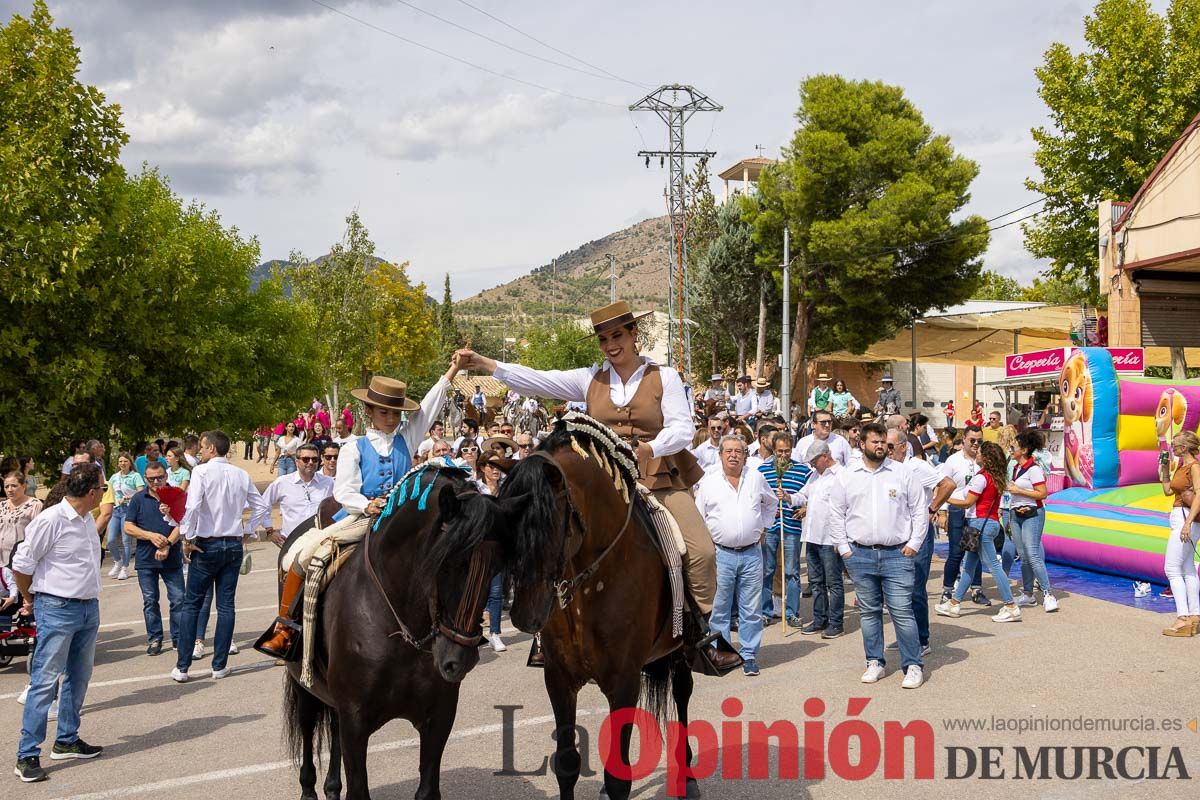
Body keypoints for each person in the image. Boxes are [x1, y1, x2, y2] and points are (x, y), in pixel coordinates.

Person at [454, 300, 740, 671]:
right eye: (604, 339)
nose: (611, 344)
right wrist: (487, 364)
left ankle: (699, 634)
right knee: (554, 536)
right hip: (603, 480)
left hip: (657, 477)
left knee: (702, 552)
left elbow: (683, 428)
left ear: (634, 335)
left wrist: (649, 448)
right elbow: (539, 379)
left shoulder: (664, 377)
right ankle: (547, 632)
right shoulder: (590, 378)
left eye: (618, 335)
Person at [257, 363, 459, 659]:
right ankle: (285, 630)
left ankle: (460, 626)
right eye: (384, 412)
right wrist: (367, 503)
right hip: (362, 517)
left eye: (396, 413)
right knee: (302, 555)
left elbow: (429, 406)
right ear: (369, 412)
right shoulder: (354, 447)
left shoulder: (408, 437)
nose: (391, 418)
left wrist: (451, 373)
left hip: (404, 518)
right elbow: (343, 491)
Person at [13, 464, 106, 781]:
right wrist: (30, 599)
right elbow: (21, 564)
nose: (103, 494)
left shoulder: (85, 519)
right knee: (44, 681)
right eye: (103, 489)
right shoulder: (51, 520)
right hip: (57, 607)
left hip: (87, 608)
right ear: (91, 492)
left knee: (79, 677)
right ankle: (27, 754)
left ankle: (67, 739)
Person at [828, 423, 928, 689]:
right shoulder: (848, 475)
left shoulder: (902, 473)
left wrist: (914, 544)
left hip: (898, 555)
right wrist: (845, 549)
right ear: (862, 444)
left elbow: (920, 510)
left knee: (902, 611)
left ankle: (913, 665)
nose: (881, 446)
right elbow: (836, 513)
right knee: (869, 613)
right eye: (875, 442)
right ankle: (875, 662)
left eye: (884, 442)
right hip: (860, 554)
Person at [170, 431, 269, 683]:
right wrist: (247, 531)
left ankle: (183, 666)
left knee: (193, 604)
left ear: (212, 448)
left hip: (207, 543)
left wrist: (187, 537)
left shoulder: (201, 472)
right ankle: (219, 664)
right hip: (232, 543)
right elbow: (260, 506)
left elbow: (192, 507)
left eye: (203, 447)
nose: (200, 451)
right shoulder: (240, 474)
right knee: (226, 605)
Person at [694, 435, 777, 676]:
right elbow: (699, 517)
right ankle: (725, 654)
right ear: (720, 455)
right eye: (728, 451)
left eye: (738, 451)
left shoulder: (756, 478)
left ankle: (749, 655)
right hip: (721, 554)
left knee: (751, 609)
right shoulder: (709, 483)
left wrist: (764, 526)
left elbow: (771, 503)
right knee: (719, 608)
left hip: (752, 553)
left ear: (744, 455)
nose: (733, 455)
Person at [936, 441, 1022, 623]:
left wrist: (944, 499)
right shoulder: (995, 477)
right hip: (986, 523)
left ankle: (1010, 606)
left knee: (993, 565)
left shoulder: (981, 478)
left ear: (987, 457)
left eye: (981, 451)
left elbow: (967, 502)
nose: (977, 453)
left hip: (978, 524)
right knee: (969, 564)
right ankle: (954, 603)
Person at [886, 429, 955, 656]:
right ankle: (907, 636)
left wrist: (932, 509)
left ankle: (922, 639)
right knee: (899, 590)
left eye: (890, 446)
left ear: (903, 447)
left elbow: (948, 484)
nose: (885, 450)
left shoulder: (917, 466)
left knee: (915, 588)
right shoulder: (889, 468)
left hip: (920, 534)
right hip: (898, 533)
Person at [124, 462, 185, 656]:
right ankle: (155, 638)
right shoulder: (138, 499)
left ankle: (178, 637)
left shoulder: (176, 495)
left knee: (178, 599)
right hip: (145, 559)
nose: (156, 482)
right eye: (151, 479)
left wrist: (167, 544)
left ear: (166, 476)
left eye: (160, 477)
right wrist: (150, 536)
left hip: (171, 556)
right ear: (145, 479)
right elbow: (128, 527)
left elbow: (184, 523)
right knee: (150, 601)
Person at [786, 440, 845, 637]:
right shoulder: (814, 476)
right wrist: (788, 497)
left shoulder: (841, 476)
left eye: (814, 461)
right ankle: (820, 619)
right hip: (812, 536)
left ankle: (836, 622)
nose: (811, 465)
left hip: (830, 538)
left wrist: (841, 539)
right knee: (816, 581)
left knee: (833, 583)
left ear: (825, 457)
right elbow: (803, 496)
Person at [757, 431, 811, 626]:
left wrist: (805, 508)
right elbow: (757, 499)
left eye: (787, 451)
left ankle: (792, 612)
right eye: (780, 451)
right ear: (773, 450)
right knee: (768, 570)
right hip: (771, 527)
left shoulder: (803, 471)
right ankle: (765, 611)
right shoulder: (762, 470)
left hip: (792, 527)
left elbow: (812, 495)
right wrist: (769, 509)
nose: (783, 455)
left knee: (792, 571)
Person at [1007, 429, 1057, 613]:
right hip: (1016, 513)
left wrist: (1019, 491)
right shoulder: (1015, 467)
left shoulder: (1034, 469)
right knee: (1024, 556)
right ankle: (1028, 594)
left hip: (1032, 514)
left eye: (1015, 446)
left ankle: (1048, 594)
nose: (1012, 448)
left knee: (1033, 554)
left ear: (1025, 449)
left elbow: (1042, 493)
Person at [939, 424, 987, 606]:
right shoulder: (953, 460)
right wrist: (942, 512)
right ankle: (947, 591)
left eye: (979, 441)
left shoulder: (984, 460)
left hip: (977, 512)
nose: (976, 444)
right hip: (957, 509)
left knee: (976, 552)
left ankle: (976, 589)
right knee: (956, 553)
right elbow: (942, 486)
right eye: (972, 440)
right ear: (964, 440)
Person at [1159, 431, 1200, 636]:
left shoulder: (1194, 467)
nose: (1172, 449)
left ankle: (1182, 617)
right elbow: (1168, 491)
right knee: (1187, 568)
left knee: (1172, 569)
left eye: (1175, 446)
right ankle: (1194, 615)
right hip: (1182, 516)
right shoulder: (1182, 467)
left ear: (1184, 448)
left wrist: (1188, 523)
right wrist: (1165, 469)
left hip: (1185, 518)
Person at [258, 443, 335, 548]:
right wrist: (270, 531)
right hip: (290, 544)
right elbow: (262, 505)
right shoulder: (282, 483)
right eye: (306, 459)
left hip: (320, 544)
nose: (311, 462)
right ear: (297, 461)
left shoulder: (330, 483)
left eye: (314, 459)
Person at [475, 450, 512, 652]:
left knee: (496, 592)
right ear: (482, 468)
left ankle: (495, 634)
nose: (496, 470)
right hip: (478, 548)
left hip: (499, 547)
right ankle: (474, 632)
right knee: (477, 591)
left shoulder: (507, 488)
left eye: (499, 466)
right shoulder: (476, 489)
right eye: (491, 466)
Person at [106, 454, 145, 580]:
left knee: (125, 541)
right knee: (110, 540)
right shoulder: (114, 477)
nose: (122, 463)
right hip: (116, 510)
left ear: (130, 462)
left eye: (125, 461)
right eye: (120, 461)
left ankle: (125, 568)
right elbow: (108, 491)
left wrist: (128, 497)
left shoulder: (135, 476)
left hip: (128, 510)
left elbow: (141, 494)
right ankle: (118, 561)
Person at [1, 471, 43, 565]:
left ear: (24, 486)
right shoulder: (1, 505)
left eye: (14, 486)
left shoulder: (34, 505)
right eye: (6, 486)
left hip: (21, 561)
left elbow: (38, 534)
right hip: (1, 561)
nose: (10, 490)